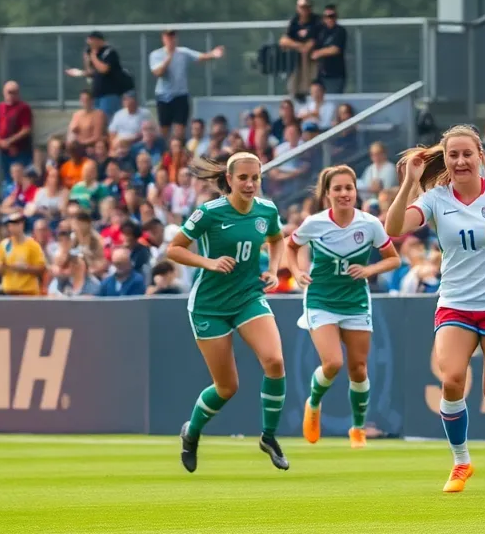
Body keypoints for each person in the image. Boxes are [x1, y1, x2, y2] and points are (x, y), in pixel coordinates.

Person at [387, 125, 485, 492]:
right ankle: (461, 462)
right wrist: (410, 183)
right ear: (444, 160)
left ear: (480, 157)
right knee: (452, 378)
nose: (460, 161)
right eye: (452, 155)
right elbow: (393, 229)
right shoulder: (435, 198)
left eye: (466, 154)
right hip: (456, 304)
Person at [165, 152, 289, 474]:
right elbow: (174, 249)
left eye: (255, 178)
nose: (250, 184)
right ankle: (191, 433)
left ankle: (269, 436)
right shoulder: (209, 212)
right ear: (230, 180)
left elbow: (278, 239)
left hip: (248, 296)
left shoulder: (267, 210)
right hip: (210, 305)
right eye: (243, 178)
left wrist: (274, 270)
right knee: (227, 387)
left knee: (274, 360)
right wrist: (209, 262)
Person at [287, 166, 401, 449]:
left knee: (359, 369)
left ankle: (358, 428)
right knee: (333, 362)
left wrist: (369, 269)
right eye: (337, 189)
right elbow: (290, 247)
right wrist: (298, 271)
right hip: (321, 299)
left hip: (355, 301)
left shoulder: (370, 223)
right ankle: (313, 404)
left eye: (348, 188)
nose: (344, 193)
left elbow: (393, 259)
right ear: (327, 194)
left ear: (355, 191)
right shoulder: (314, 223)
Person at [148, 29, 224, 140]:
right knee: (164, 131)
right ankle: (165, 154)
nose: (171, 40)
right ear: (163, 38)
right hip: (164, 97)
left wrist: (213, 54)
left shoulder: (183, 52)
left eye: (173, 36)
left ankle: (179, 152)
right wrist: (169, 57)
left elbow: (200, 57)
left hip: (180, 95)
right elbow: (158, 73)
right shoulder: (156, 54)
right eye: (168, 37)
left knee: (179, 131)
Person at [0, 213, 46, 296]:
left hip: (28, 292)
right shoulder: (4, 244)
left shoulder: (33, 245)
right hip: (9, 291)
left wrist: (25, 268)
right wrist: (1, 267)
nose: (11, 227)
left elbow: (41, 269)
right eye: (9, 224)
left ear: (21, 224)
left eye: (14, 223)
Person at [0, 81, 34, 175]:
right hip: (4, 152)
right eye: (9, 92)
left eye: (15, 92)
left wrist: (9, 141)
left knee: (22, 175)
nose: (12, 95)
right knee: (7, 176)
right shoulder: (0, 107)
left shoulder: (24, 108)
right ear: (4, 92)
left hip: (20, 151)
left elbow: (26, 129)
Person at [311, 5, 348, 94]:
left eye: (332, 16)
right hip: (320, 75)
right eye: (327, 16)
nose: (329, 19)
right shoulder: (320, 32)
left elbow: (335, 49)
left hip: (335, 75)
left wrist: (319, 53)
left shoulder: (340, 31)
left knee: (333, 101)